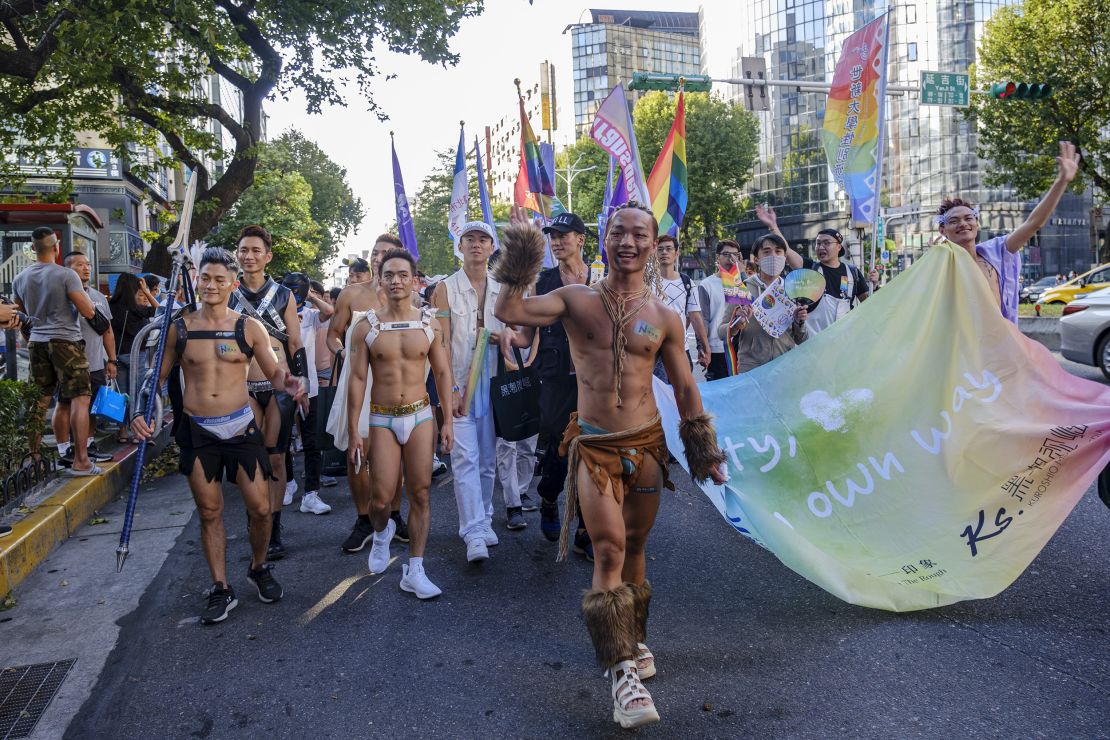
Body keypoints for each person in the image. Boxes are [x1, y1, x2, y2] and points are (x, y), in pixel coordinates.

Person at [494, 203, 727, 730]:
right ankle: (621, 671)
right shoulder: (575, 300)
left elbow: (686, 387)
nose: (628, 242)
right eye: (618, 232)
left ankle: (634, 637)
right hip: (595, 447)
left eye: (639, 234)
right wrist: (524, 250)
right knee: (608, 548)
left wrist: (705, 453)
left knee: (638, 549)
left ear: (652, 244)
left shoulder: (664, 316)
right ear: (603, 240)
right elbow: (510, 311)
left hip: (646, 447)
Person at [130, 248, 305, 624]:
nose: (210, 285)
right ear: (197, 281)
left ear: (232, 284)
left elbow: (274, 374)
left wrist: (288, 382)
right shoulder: (179, 328)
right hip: (199, 432)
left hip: (241, 427)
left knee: (260, 508)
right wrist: (138, 415)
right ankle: (221, 588)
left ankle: (258, 567)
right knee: (210, 512)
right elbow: (153, 382)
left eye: (219, 279)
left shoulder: (248, 327)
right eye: (205, 278)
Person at [345, 249, 453, 598]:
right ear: (380, 278)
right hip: (382, 418)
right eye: (389, 274)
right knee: (380, 499)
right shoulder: (366, 325)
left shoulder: (428, 321)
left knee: (420, 492)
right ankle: (380, 533)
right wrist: (353, 432)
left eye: (403, 274)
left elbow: (441, 371)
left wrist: (447, 420)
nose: (396, 281)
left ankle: (415, 569)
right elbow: (357, 379)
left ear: (414, 279)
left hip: (421, 415)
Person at [431, 221, 520, 563]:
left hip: (495, 379)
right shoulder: (445, 289)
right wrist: (449, 388)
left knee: (487, 457)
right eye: (470, 239)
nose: (476, 245)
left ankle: (483, 518)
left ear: (491, 246)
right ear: (460, 245)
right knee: (464, 457)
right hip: (459, 381)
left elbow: (518, 331)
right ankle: (472, 532)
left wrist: (507, 339)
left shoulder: (503, 287)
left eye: (483, 239)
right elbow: (440, 342)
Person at [505, 211, 593, 548]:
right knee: (561, 446)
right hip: (556, 378)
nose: (557, 241)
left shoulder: (601, 276)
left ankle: (586, 527)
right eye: (552, 236)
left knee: (592, 449)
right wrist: (510, 339)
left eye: (564, 235)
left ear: (580, 239)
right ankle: (548, 496)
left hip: (594, 379)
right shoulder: (543, 281)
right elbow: (527, 336)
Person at [229, 225, 309, 560]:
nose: (249, 256)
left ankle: (274, 529)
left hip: (278, 385)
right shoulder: (228, 292)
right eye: (244, 250)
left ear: (268, 256)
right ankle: (255, 520)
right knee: (252, 457)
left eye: (255, 251)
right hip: (241, 386)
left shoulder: (282, 295)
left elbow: (294, 341)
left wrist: (302, 382)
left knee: (276, 455)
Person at [936, 141, 1079, 324]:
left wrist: (1062, 181)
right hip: (962, 348)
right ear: (943, 230)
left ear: (977, 223)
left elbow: (1034, 223)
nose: (963, 224)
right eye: (954, 221)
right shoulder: (941, 266)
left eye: (968, 218)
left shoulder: (996, 252)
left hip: (1003, 344)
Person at [12, 228, 101, 475]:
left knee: (38, 403)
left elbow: (19, 316)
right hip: (66, 342)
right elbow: (88, 311)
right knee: (80, 399)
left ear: (33, 248)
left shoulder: (21, 278)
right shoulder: (66, 275)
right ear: (56, 247)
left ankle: (34, 457)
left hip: (37, 343)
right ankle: (82, 460)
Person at [756, 204, 868, 333]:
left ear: (839, 247)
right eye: (818, 243)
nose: (821, 247)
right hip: (814, 344)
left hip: (843, 341)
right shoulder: (810, 268)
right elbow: (786, 251)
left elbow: (869, 302)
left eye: (826, 243)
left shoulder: (852, 273)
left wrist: (874, 285)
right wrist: (773, 226)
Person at [279, 273, 334, 515]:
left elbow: (329, 312)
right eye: (287, 289)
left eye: (296, 290)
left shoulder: (311, 316)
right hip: (280, 386)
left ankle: (311, 493)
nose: (292, 293)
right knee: (282, 441)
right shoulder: (274, 314)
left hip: (308, 386)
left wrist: (311, 294)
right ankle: (288, 483)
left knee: (311, 441)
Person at [56, 252, 116, 465]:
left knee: (91, 406)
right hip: (69, 364)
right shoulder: (62, 296)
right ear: (67, 269)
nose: (86, 268)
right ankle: (64, 449)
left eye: (88, 264)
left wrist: (112, 359)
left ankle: (88, 444)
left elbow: (107, 331)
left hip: (96, 362)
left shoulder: (98, 297)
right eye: (79, 265)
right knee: (64, 404)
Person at [725, 233, 809, 374]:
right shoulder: (741, 289)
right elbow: (722, 331)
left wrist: (800, 323)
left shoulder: (793, 290)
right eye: (767, 252)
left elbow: (802, 340)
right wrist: (735, 324)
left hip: (784, 369)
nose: (774, 256)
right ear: (757, 259)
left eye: (778, 251)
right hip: (751, 369)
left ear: (784, 257)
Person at [109, 272, 158, 442]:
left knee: (123, 395)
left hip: (117, 355)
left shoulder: (110, 305)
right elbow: (159, 310)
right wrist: (147, 291)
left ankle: (122, 431)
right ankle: (139, 433)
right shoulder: (136, 308)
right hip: (137, 355)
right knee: (138, 394)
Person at [654, 234, 710, 379]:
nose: (664, 252)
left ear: (676, 253)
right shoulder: (646, 282)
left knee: (680, 395)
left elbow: (696, 317)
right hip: (653, 351)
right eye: (660, 249)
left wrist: (705, 346)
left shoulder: (687, 283)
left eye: (668, 249)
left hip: (680, 349)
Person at [696, 240, 743, 381]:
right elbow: (703, 318)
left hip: (741, 348)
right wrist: (702, 347)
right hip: (717, 349)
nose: (731, 259)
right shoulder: (707, 284)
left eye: (735, 255)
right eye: (726, 254)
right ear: (718, 257)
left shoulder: (743, 283)